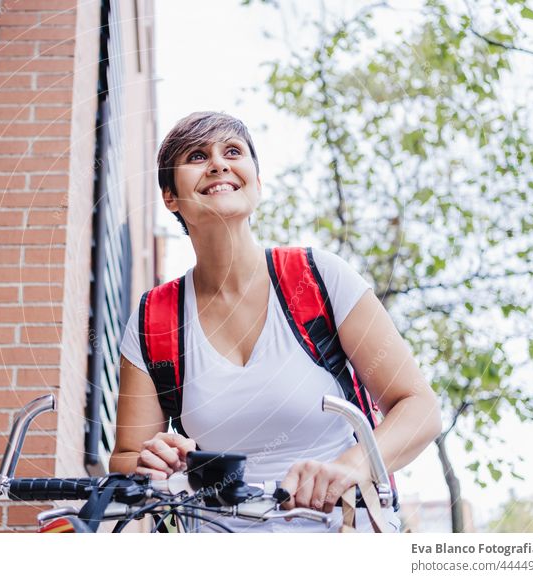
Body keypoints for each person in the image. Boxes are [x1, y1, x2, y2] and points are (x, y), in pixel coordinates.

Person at [108, 111, 442, 532]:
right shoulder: (154, 319)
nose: (218, 163)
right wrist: (148, 462)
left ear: (257, 183)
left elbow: (421, 407)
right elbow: (125, 458)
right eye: (197, 156)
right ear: (170, 197)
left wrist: (351, 466)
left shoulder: (317, 277)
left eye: (233, 151)